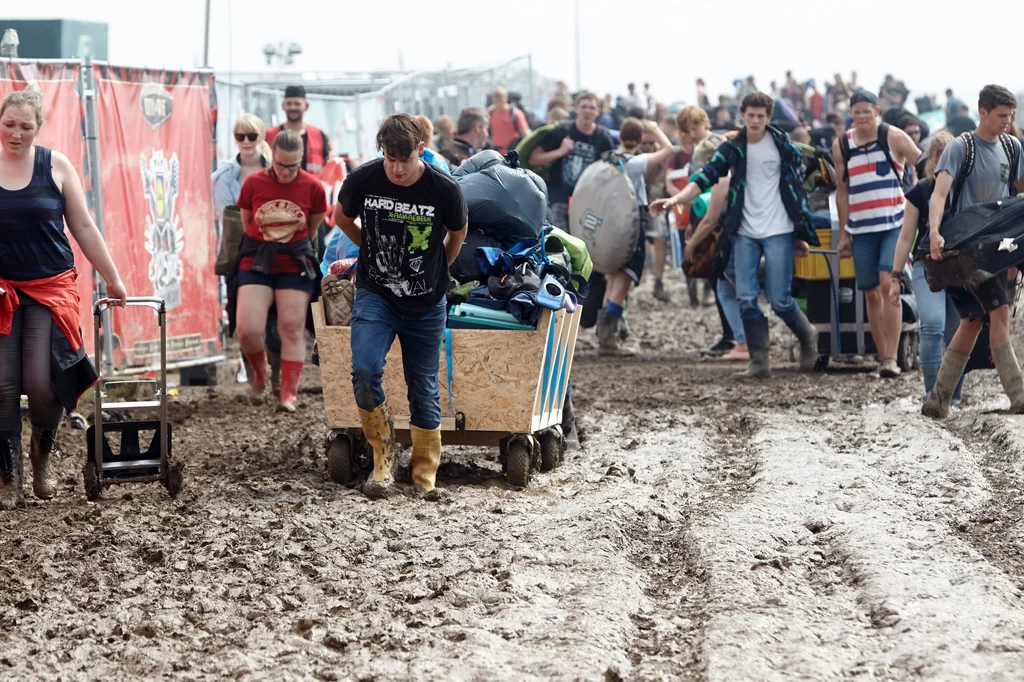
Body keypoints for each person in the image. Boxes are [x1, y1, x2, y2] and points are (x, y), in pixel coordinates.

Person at [0, 91, 127, 508]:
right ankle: (9, 474)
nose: (15, 134)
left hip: (50, 288)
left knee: (42, 381)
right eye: (8, 124)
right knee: (3, 384)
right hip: (3, 290)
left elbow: (85, 227)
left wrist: (112, 277)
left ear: (39, 127)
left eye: (25, 126)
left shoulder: (55, 166)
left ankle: (41, 454)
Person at [335, 114, 468, 499]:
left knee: (423, 389)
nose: (395, 167)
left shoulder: (444, 189)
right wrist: (369, 250)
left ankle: (425, 475)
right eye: (389, 157)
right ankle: (383, 458)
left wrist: (439, 267)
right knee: (364, 368)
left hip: (426, 303)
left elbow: (457, 233)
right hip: (376, 294)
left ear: (420, 151)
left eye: (403, 159)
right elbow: (341, 217)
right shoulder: (364, 178)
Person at [651, 91, 820, 379]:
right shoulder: (733, 146)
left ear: (768, 117)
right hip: (744, 231)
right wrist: (675, 200)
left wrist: (800, 233)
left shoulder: (782, 146)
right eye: (750, 115)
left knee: (779, 299)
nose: (755, 120)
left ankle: (808, 337)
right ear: (742, 115)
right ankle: (759, 361)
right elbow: (704, 177)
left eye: (761, 116)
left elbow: (797, 192)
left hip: (779, 229)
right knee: (745, 295)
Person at [922, 85, 1024, 418]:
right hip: (966, 250)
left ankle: (937, 401)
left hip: (1000, 248)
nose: (1007, 122)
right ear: (983, 113)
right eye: (1001, 116)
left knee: (972, 321)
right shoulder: (959, 147)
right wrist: (935, 232)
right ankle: (1019, 395)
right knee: (999, 312)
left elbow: (1020, 195)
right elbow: (938, 195)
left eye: (1010, 116)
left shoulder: (1013, 147)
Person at [235, 130, 326, 412]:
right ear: (271, 156)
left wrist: (289, 244)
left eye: (292, 166)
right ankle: (261, 373)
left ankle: (288, 393)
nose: (285, 172)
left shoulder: (313, 187)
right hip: (258, 260)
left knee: (292, 327)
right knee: (247, 330)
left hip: (293, 262)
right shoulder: (253, 183)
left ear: (301, 161)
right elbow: (247, 222)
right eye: (280, 164)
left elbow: (311, 230)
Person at [834, 89, 921, 378]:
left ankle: (891, 358)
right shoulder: (843, 145)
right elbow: (842, 191)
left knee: (888, 283)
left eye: (866, 111)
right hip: (861, 227)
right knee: (871, 292)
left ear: (877, 112)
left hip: (895, 222)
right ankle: (883, 356)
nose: (860, 117)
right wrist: (844, 234)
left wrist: (922, 198)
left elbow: (921, 164)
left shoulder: (893, 136)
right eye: (855, 112)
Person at [888, 132, 965, 401]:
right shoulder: (921, 191)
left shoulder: (966, 190)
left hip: (960, 269)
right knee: (932, 324)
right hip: (927, 266)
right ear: (932, 159)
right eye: (940, 157)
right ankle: (934, 395)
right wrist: (895, 277)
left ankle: (953, 396)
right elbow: (905, 237)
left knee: (958, 330)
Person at [595, 118, 675, 354]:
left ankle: (606, 336)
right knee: (625, 278)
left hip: (610, 220)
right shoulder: (636, 162)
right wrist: (655, 128)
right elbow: (669, 149)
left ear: (620, 137)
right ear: (640, 140)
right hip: (631, 220)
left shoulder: (607, 159)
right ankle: (609, 339)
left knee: (612, 277)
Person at [212, 114, 274, 386]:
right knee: (240, 314)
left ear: (261, 137)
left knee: (277, 319)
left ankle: (274, 377)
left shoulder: (277, 167)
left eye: (252, 136)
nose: (246, 142)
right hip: (239, 253)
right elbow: (230, 218)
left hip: (277, 251)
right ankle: (253, 376)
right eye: (240, 136)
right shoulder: (224, 176)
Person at [529, 91, 615, 230]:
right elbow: (534, 159)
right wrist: (560, 151)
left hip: (588, 198)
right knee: (561, 239)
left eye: (592, 107)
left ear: (598, 112)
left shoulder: (602, 136)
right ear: (576, 109)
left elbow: (612, 167)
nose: (587, 111)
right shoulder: (563, 130)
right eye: (584, 106)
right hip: (559, 194)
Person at [265, 85, 330, 173]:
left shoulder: (318, 135)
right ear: (283, 106)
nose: (293, 108)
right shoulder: (269, 135)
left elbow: (328, 164)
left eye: (297, 104)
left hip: (312, 185)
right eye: (289, 103)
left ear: (306, 106)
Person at [489, 87, 531, 156]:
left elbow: (525, 133)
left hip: (513, 152)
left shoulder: (515, 113)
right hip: (496, 153)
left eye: (500, 100)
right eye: (496, 101)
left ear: (505, 98)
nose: (498, 103)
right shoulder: (490, 113)